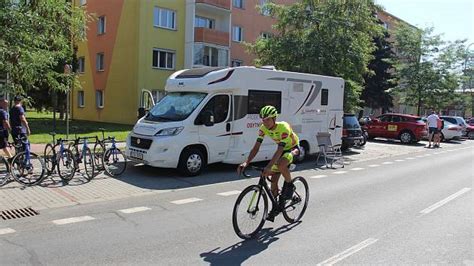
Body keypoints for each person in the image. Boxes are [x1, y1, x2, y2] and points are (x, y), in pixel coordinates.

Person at [237, 105, 300, 222]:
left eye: (268, 119)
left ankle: (290, 185)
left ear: (274, 118)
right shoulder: (263, 128)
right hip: (281, 150)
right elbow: (256, 148)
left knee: (281, 164)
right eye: (263, 120)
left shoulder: (284, 127)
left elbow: (280, 150)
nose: (265, 122)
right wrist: (246, 162)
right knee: (273, 181)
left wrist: (269, 166)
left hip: (292, 148)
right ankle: (276, 207)